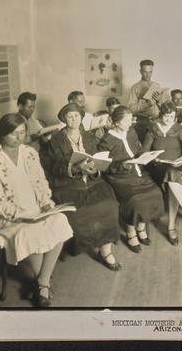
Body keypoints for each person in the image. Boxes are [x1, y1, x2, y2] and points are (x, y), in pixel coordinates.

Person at [0, 113, 73, 307]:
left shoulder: (30, 152)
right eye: (14, 133)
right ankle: (44, 286)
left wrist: (46, 202)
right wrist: (22, 215)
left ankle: (41, 281)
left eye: (22, 132)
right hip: (6, 215)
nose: (19, 137)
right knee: (30, 233)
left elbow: (40, 181)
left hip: (36, 207)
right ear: (2, 135)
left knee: (60, 221)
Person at [47, 103, 122, 271]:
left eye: (76, 115)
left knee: (109, 205)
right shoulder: (56, 140)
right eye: (69, 116)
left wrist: (94, 167)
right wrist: (75, 168)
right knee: (78, 213)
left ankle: (106, 251)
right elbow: (55, 168)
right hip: (68, 184)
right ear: (64, 119)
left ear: (81, 117)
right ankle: (79, 245)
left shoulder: (88, 137)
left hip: (92, 181)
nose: (74, 119)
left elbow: (95, 157)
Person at [98, 106, 165, 253]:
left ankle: (141, 227)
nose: (131, 123)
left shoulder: (132, 132)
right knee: (135, 200)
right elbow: (104, 166)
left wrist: (146, 156)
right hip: (118, 177)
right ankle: (130, 231)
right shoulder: (106, 140)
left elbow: (137, 151)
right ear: (116, 122)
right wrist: (121, 164)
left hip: (137, 172)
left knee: (155, 193)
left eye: (131, 119)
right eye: (127, 120)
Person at [142, 102, 182, 245]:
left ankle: (171, 226)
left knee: (172, 177)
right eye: (167, 116)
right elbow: (144, 151)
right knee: (171, 176)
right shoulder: (153, 129)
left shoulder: (179, 129)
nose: (169, 119)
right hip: (158, 167)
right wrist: (154, 158)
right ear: (161, 115)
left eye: (172, 116)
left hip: (177, 165)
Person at [128, 59, 166, 141]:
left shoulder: (156, 86)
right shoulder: (135, 88)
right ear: (140, 71)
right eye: (145, 72)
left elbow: (164, 108)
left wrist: (159, 100)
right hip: (142, 123)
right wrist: (146, 105)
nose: (148, 75)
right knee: (142, 148)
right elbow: (130, 109)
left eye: (150, 72)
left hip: (157, 122)